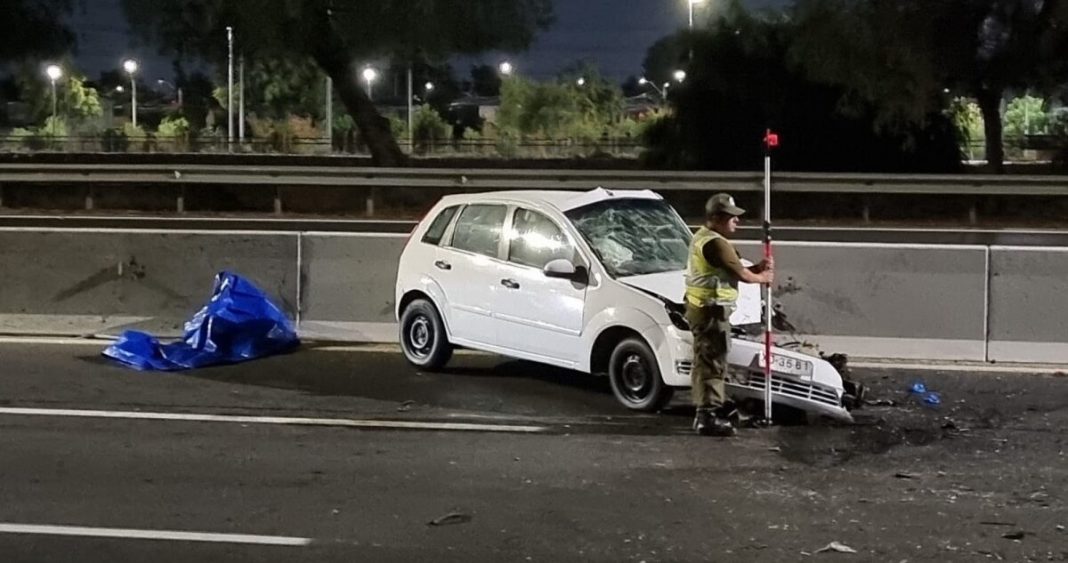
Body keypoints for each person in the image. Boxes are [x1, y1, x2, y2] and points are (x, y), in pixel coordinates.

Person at [685, 193, 774, 436]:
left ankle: (712, 406)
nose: (737, 221)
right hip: (710, 310)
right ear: (715, 218)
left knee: (707, 361)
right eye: (731, 217)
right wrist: (761, 277)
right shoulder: (715, 243)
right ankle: (708, 416)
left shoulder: (705, 237)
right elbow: (741, 275)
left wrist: (756, 269)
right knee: (712, 362)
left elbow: (734, 270)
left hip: (703, 308)